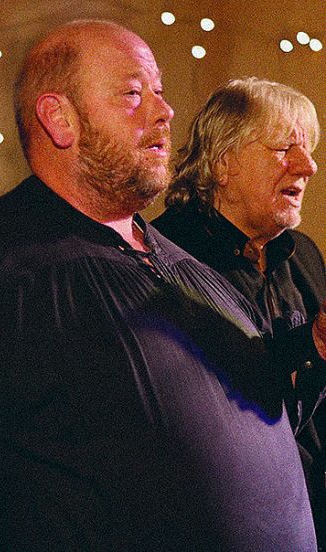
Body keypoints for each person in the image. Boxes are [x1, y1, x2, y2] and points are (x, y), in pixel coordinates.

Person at [0, 20, 326, 550]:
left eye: (160, 92)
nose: (164, 111)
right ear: (60, 119)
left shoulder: (191, 273)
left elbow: (269, 413)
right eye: (132, 93)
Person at [152, 78, 325, 537]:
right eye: (285, 148)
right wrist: (313, 343)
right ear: (224, 161)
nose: (306, 166)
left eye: (309, 149)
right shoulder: (166, 259)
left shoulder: (302, 254)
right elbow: (215, 405)